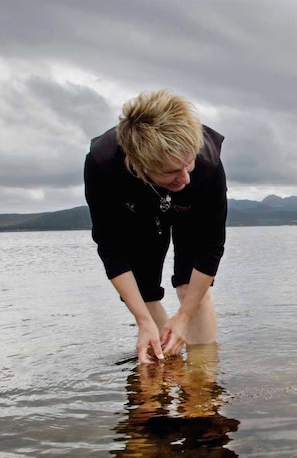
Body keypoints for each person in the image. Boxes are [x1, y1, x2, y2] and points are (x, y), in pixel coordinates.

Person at [84, 89, 228, 363]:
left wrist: (183, 317)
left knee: (190, 290)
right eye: (172, 171)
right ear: (138, 165)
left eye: (188, 164)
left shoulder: (207, 163)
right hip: (136, 208)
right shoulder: (102, 165)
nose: (185, 178)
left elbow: (211, 249)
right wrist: (142, 320)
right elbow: (111, 250)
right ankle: (167, 366)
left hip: (192, 208)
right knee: (143, 292)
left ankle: (201, 381)